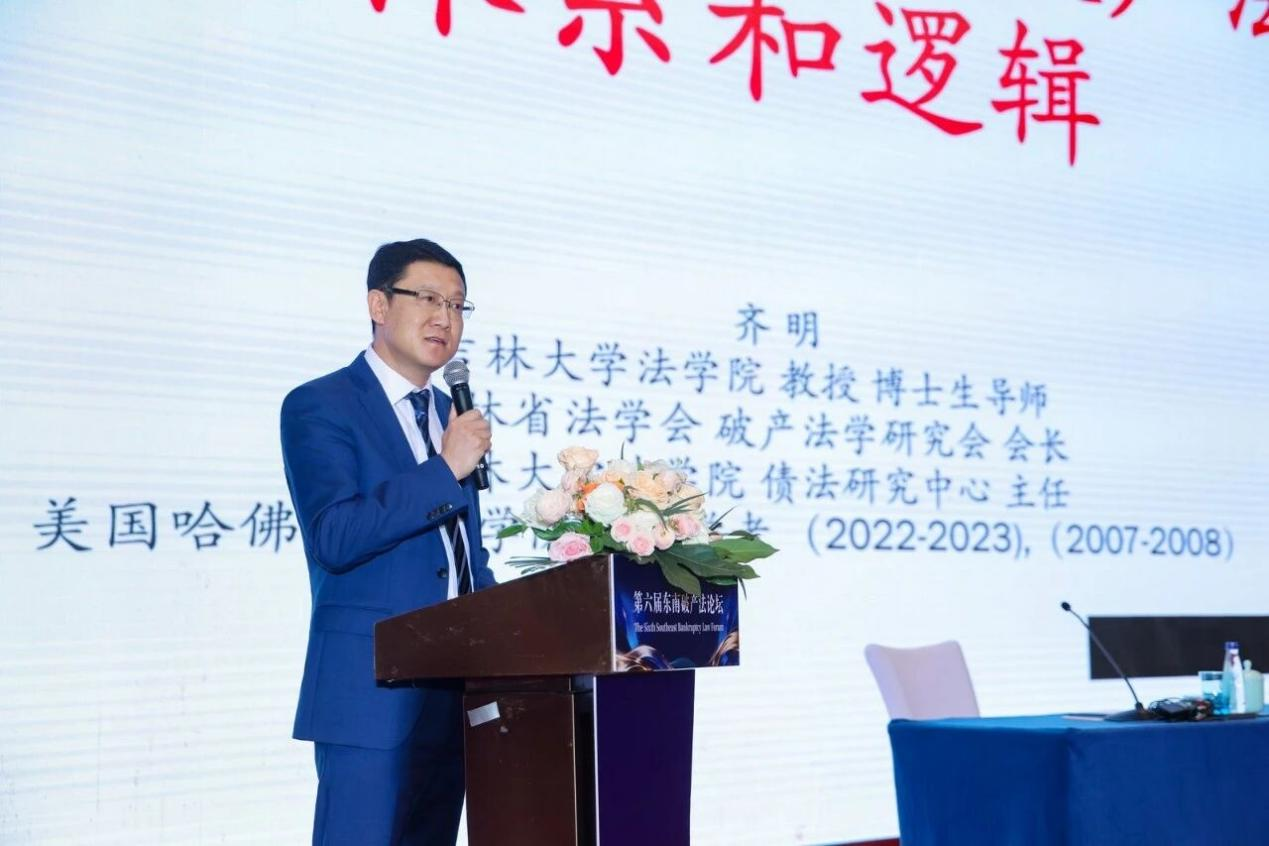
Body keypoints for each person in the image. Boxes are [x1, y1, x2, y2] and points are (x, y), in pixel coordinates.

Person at [280, 238, 495, 845]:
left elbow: (463, 556)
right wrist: (444, 469)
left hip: (454, 688)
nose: (444, 318)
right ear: (378, 304)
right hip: (370, 689)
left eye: (456, 305)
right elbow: (335, 536)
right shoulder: (320, 404)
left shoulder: (449, 416)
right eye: (427, 298)